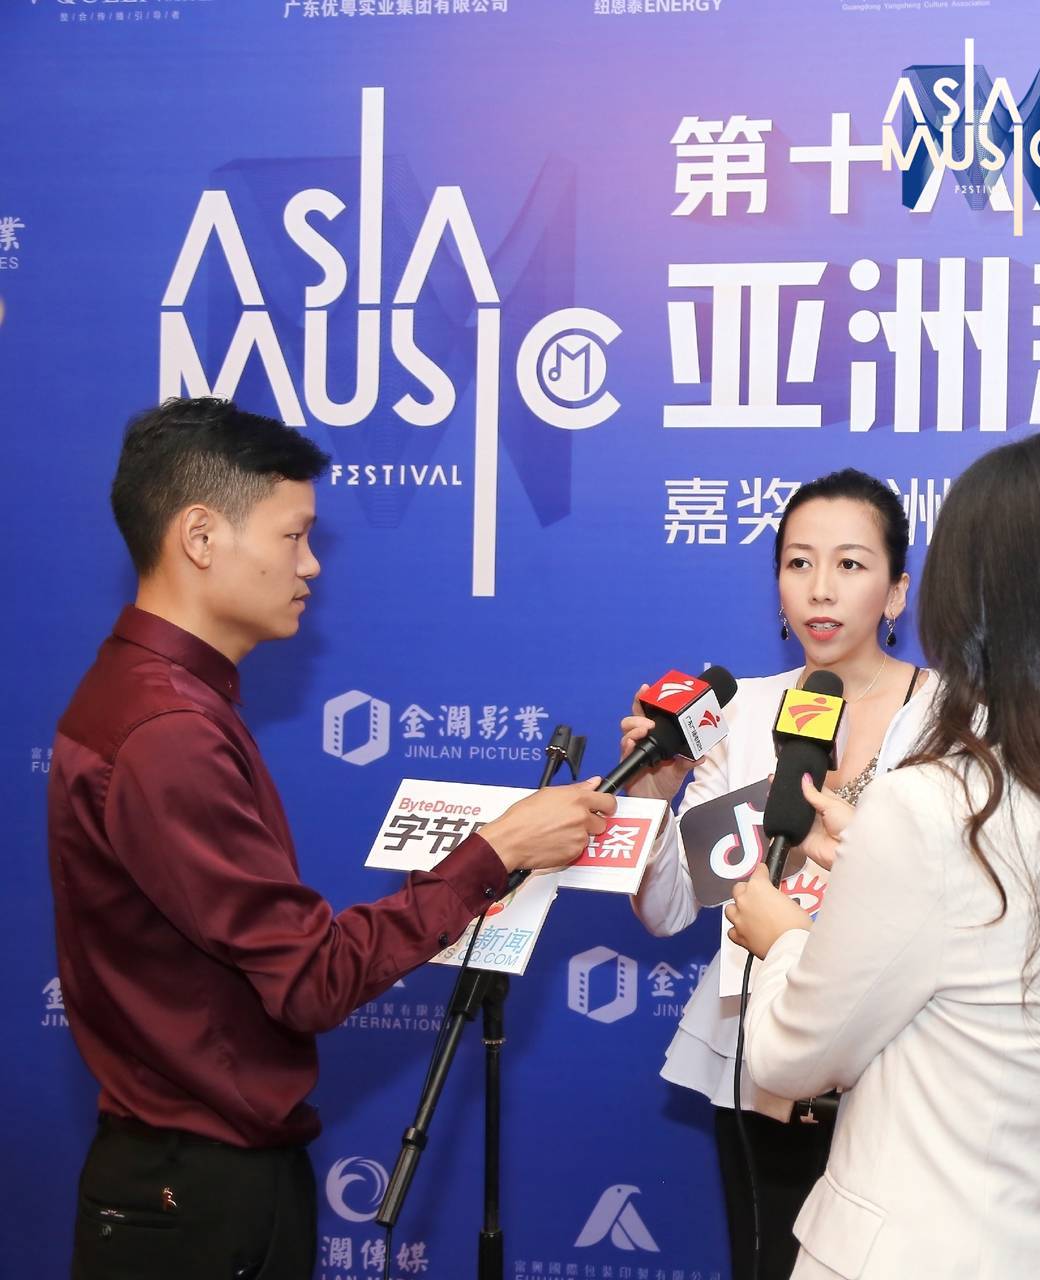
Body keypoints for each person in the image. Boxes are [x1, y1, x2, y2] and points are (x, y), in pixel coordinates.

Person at [46, 398, 615, 1280]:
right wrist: (496, 850)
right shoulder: (167, 732)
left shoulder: (147, 696)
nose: (310, 564)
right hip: (198, 1201)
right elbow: (310, 980)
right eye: (294, 536)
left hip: (182, 1180)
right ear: (201, 536)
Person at [725, 436, 1040, 1279]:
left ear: (971, 603)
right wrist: (873, 864)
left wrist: (784, 939)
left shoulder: (933, 807)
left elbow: (791, 1056)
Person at [623, 469, 938, 1280]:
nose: (820, 589)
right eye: (799, 563)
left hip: (909, 1070)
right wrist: (652, 799)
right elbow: (667, 909)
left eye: (850, 564)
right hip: (765, 1059)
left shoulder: (957, 718)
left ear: (896, 592)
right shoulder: (736, 715)